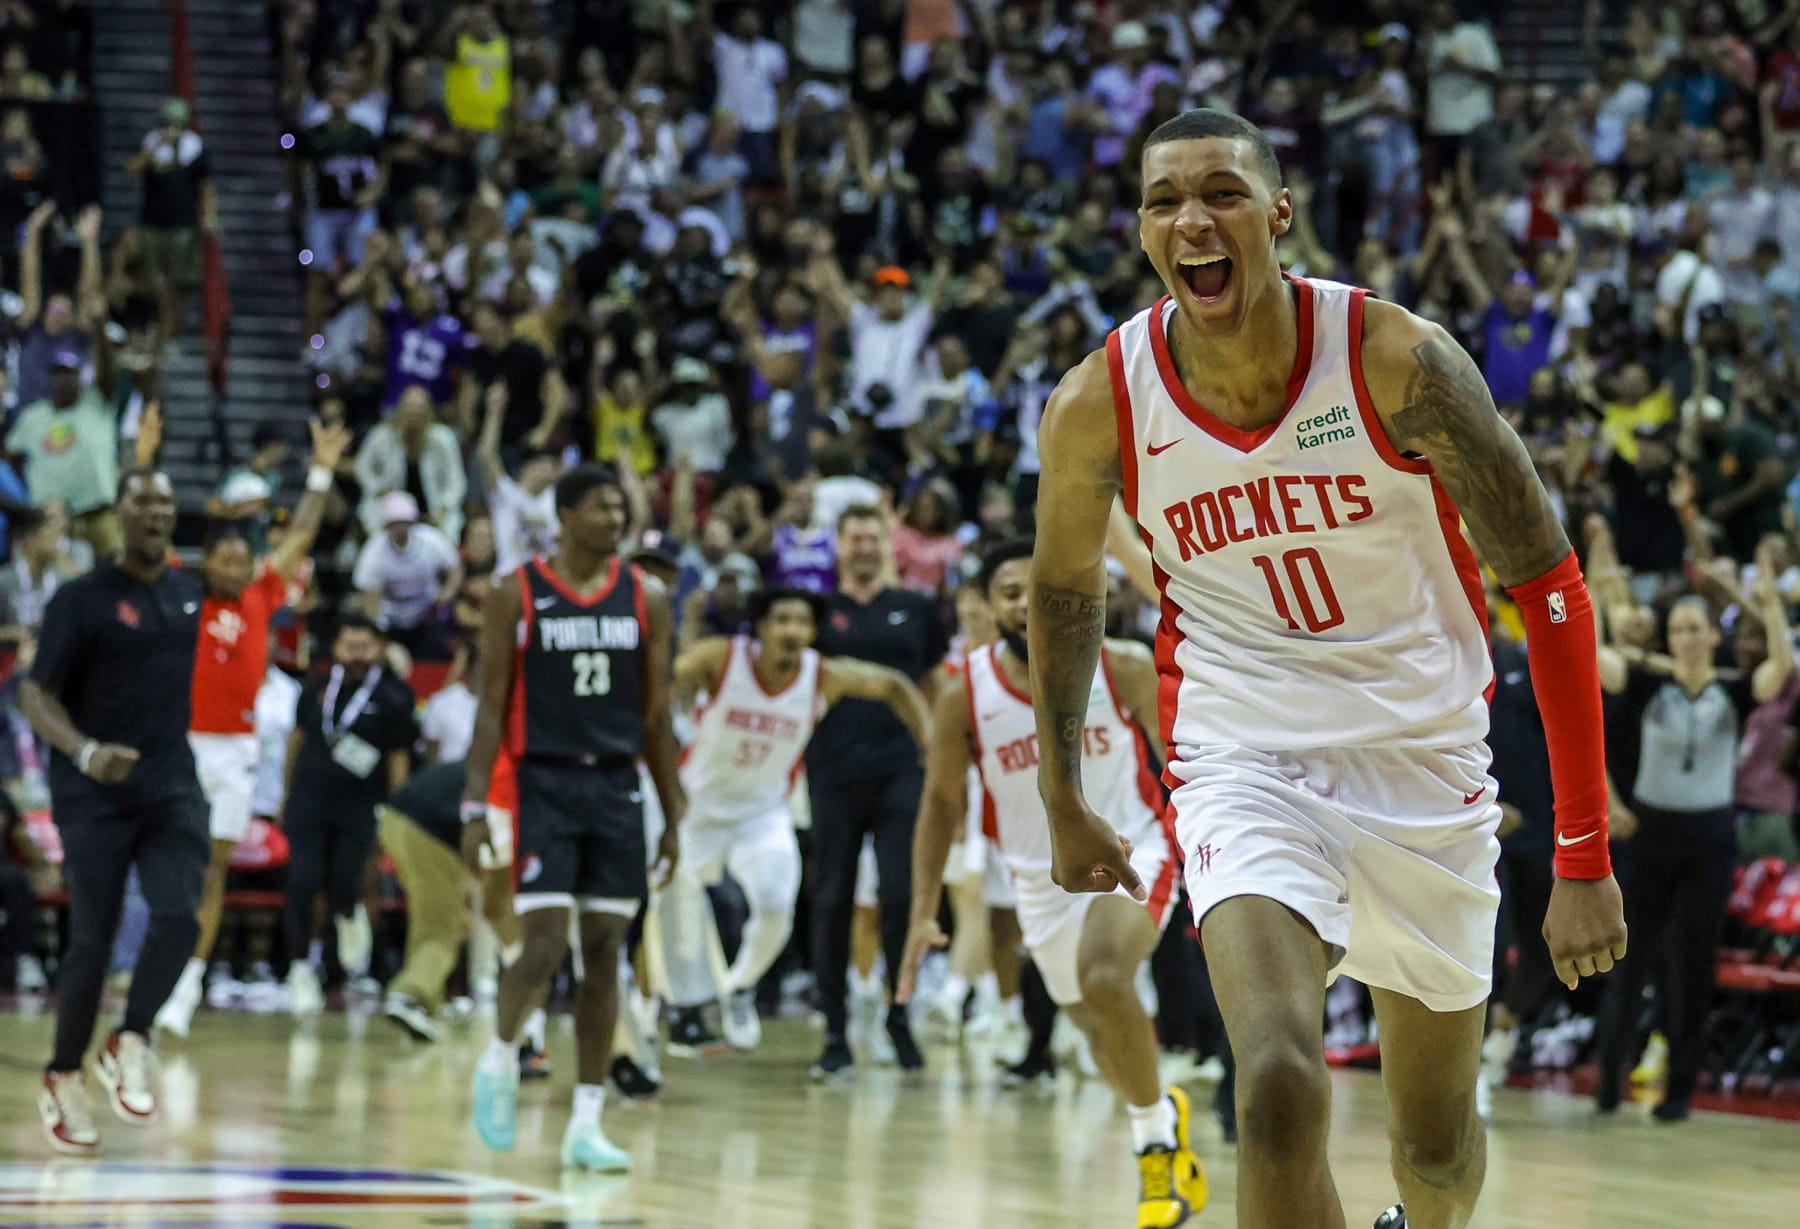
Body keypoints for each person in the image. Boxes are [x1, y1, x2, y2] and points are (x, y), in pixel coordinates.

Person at [1026, 109, 1626, 1229]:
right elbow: (1065, 590)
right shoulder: (1099, 402)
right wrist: (1061, 794)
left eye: (1223, 192)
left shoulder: (1398, 361)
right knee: (1282, 1085)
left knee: (1435, 1151)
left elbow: (1548, 583)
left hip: (1423, 761)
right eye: (1165, 200)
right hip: (1244, 758)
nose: (1193, 218)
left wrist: (1583, 851)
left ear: (1279, 212)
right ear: (1144, 230)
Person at [899, 538, 1205, 1229]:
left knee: (1105, 977)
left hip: (1136, 849)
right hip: (1039, 883)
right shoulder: (963, 695)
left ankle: (1155, 1151)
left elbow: (1189, 760)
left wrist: (1207, 851)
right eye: (1006, 589)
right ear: (984, 604)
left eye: (1032, 585)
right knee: (1096, 1034)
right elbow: (940, 806)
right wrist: (923, 911)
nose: (1021, 600)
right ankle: (1161, 1112)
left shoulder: (1119, 665)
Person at [461, 465, 683, 1172]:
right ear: (561, 516)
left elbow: (656, 714)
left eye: (620, 506)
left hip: (618, 786)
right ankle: (499, 1054)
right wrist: (474, 803)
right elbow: (491, 707)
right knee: (546, 940)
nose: (613, 517)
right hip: (544, 782)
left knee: (607, 948)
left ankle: (586, 1119)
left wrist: (672, 809)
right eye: (598, 506)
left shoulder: (646, 596)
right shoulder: (514, 593)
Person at [21, 467, 207, 1154]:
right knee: (92, 941)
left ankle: (130, 1034)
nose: (156, 510)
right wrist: (86, 750)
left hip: (169, 784)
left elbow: (270, 568)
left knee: (181, 914)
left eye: (164, 499)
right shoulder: (83, 598)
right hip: (94, 791)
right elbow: (35, 695)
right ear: (120, 516)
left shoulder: (190, 591)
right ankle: (63, 1074)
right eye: (142, 500)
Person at [663, 587, 932, 1051]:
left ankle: (739, 988)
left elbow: (894, 686)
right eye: (782, 620)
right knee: (674, 919)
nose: (792, 631)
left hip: (761, 814)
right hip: (697, 811)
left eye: (802, 623)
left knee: (774, 908)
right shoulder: (721, 658)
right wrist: (671, 732)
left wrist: (930, 748)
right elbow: (665, 681)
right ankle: (666, 1016)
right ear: (762, 627)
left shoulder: (821, 676)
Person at [156, 418, 350, 1038]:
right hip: (183, 743)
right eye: (227, 558)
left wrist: (320, 471)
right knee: (175, 866)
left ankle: (186, 985)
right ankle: (161, 972)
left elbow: (301, 532)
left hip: (234, 749)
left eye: (244, 559)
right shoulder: (183, 595)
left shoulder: (264, 594)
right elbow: (143, 536)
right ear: (208, 560)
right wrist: (145, 460)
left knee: (212, 871)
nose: (237, 567)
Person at [1592, 582, 1792, 1120]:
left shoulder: (1731, 691)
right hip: (1651, 835)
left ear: (1710, 635)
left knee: (1692, 963)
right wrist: (1595, 591)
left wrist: (1772, 608)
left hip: (1709, 838)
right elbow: (1593, 656)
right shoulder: (1647, 684)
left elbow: (1779, 672)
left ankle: (1680, 1091)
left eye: (1695, 629)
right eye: (1677, 629)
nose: (1686, 638)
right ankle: (1609, 1077)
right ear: (1670, 637)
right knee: (1629, 958)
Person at [805, 504, 948, 1077]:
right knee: (832, 899)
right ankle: (835, 1032)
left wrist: (941, 753)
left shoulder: (915, 609)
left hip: (902, 769)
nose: (863, 547)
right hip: (831, 769)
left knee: (898, 896)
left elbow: (936, 682)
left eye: (872, 538)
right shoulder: (817, 612)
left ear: (888, 546)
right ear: (838, 546)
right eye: (853, 537)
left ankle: (898, 1014)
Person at [279, 614, 418, 1014]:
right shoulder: (316, 689)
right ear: (336, 648)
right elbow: (297, 739)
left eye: (365, 647)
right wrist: (285, 794)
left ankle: (340, 967)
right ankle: (299, 964)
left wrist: (396, 810)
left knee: (347, 883)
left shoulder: (394, 696)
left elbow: (398, 759)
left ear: (379, 649)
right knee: (302, 880)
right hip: (309, 799)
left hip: (359, 804)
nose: (357, 656)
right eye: (349, 646)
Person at [376, 758, 518, 1042]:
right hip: (429, 832)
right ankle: (409, 996)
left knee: (432, 918)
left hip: (397, 818)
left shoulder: (500, 764)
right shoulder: (518, 784)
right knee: (443, 929)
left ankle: (427, 1002)